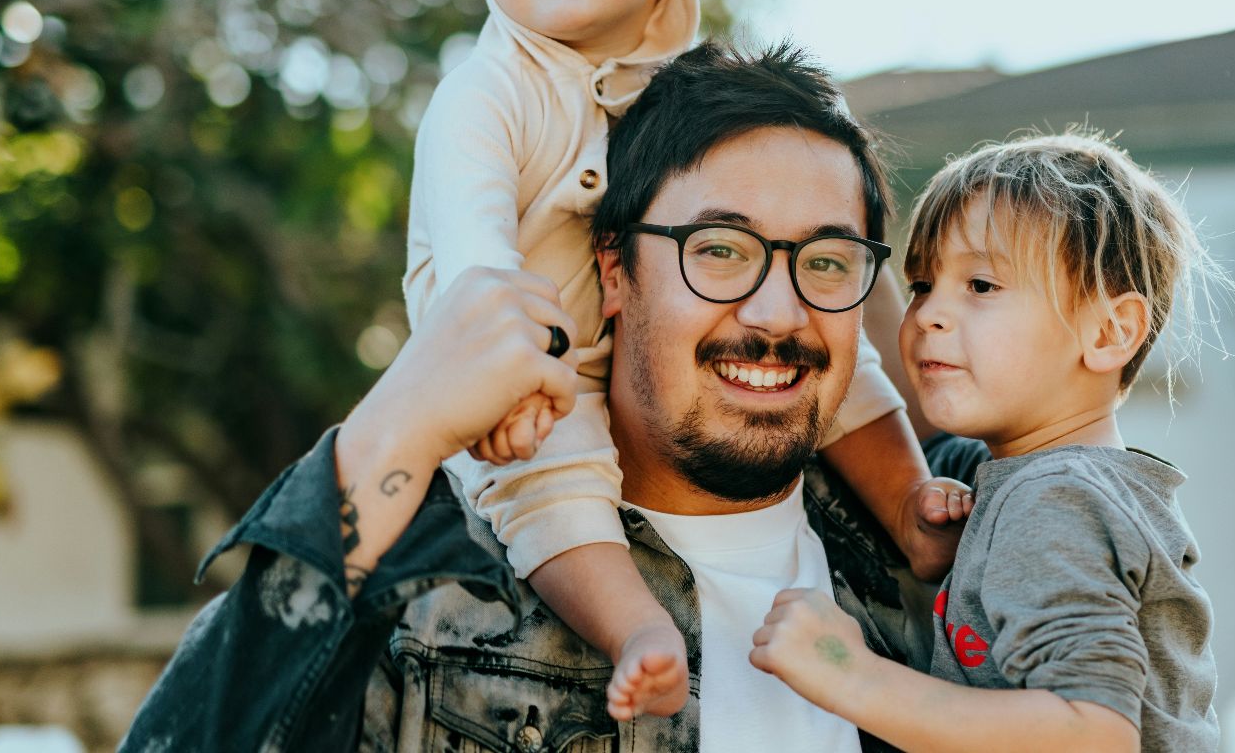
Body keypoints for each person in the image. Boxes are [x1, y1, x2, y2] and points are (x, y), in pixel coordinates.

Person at [122, 42, 967, 752]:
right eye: (718, 250)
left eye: (824, 262)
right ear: (612, 269)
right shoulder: (439, 596)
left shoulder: (972, 545)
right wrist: (393, 428)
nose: (778, 312)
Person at [403, 0, 966, 721]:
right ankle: (636, 628)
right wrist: (505, 379)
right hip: (525, 376)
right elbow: (473, 256)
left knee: (847, 362)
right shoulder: (489, 91)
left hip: (585, 360)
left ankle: (910, 506)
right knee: (552, 485)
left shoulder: (686, 100)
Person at [751, 133, 1229, 752]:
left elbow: (1095, 737)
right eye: (921, 284)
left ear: (1110, 331)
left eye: (980, 285)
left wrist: (852, 676)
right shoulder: (1041, 484)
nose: (926, 314)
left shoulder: (1054, 500)